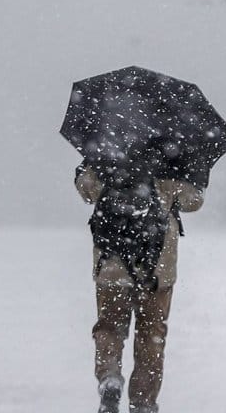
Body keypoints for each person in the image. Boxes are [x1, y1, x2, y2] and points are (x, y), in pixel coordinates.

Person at [75, 156, 205, 413]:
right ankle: (144, 403)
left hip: (112, 264)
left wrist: (86, 167)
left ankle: (109, 376)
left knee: (109, 326)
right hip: (157, 268)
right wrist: (191, 174)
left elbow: (87, 190)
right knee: (151, 335)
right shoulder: (172, 155)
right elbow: (194, 201)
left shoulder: (107, 149)